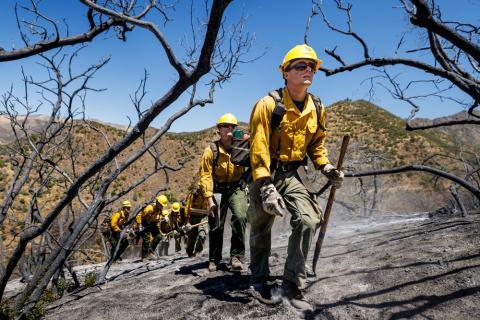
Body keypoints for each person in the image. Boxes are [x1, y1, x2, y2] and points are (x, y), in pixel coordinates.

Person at [247, 44, 344, 308]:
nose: (308, 70)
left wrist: (326, 167)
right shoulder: (267, 105)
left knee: (309, 220)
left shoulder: (318, 107)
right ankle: (258, 279)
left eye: (312, 66)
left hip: (290, 175)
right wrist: (266, 186)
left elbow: (317, 145)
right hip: (264, 173)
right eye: (301, 65)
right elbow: (258, 148)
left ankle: (291, 285)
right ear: (285, 73)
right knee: (260, 225)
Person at [199, 113, 249, 272]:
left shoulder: (242, 146)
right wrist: (209, 199)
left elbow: (254, 162)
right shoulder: (211, 150)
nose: (229, 129)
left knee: (241, 217)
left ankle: (236, 256)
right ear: (219, 130)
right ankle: (214, 258)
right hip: (217, 189)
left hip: (236, 187)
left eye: (233, 126)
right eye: (225, 126)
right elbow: (205, 175)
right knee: (216, 225)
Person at [135, 195, 169, 260]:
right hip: (144, 223)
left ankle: (150, 251)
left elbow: (161, 214)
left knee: (159, 236)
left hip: (152, 223)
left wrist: (165, 217)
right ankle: (144, 257)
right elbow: (139, 215)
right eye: (161, 205)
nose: (162, 206)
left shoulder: (160, 208)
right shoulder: (149, 208)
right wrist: (139, 224)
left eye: (162, 205)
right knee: (146, 240)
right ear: (157, 202)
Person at [184, 186, 209, 258]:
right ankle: (190, 252)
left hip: (203, 217)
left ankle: (198, 251)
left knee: (202, 235)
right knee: (192, 236)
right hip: (193, 217)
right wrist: (187, 221)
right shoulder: (193, 194)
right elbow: (187, 208)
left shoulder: (209, 193)